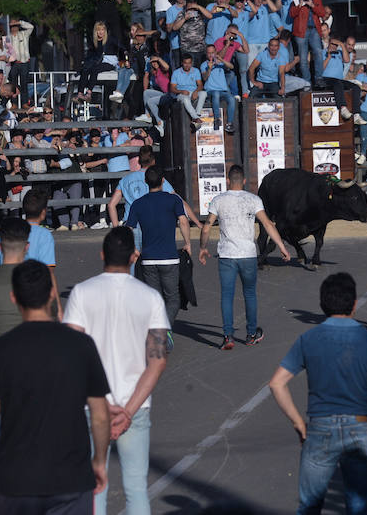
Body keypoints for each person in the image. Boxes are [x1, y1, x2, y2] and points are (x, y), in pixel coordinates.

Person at [0, 260, 111, 515]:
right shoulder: (81, 345)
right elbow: (100, 416)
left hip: (16, 482)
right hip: (71, 477)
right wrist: (99, 461)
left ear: (14, 297)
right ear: (51, 295)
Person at [268, 272, 367, 514]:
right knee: (357, 504)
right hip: (360, 427)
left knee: (310, 504)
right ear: (354, 304)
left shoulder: (308, 339)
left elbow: (277, 383)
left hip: (320, 428)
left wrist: (300, 423)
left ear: (322, 305)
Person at [62, 227, 170, 515]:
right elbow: (158, 360)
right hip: (135, 407)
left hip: (91, 405)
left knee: (94, 486)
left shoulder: (82, 293)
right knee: (136, 490)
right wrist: (127, 411)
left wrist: (105, 405)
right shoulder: (150, 297)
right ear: (134, 257)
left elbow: (72, 354)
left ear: (101, 255)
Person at [198, 165, 289, 350]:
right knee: (249, 294)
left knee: (226, 296)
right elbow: (268, 224)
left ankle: (227, 336)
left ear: (228, 181)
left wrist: (202, 248)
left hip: (227, 255)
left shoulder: (218, 200)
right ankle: (251, 334)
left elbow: (206, 227)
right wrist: (281, 246)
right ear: (244, 181)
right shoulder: (254, 200)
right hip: (247, 254)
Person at [125, 164, 190, 337]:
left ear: (146, 182)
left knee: (155, 299)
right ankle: (164, 330)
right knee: (173, 298)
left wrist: (133, 249)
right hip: (169, 257)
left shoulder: (138, 204)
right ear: (163, 180)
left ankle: (155, 330)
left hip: (148, 259)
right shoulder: (173, 200)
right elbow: (183, 221)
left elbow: (128, 229)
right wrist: (188, 243)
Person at [287, 0, 327, 85]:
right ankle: (306, 82)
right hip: (301, 31)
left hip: (314, 29)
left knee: (318, 52)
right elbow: (291, 14)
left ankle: (319, 78)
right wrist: (300, 4)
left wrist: (312, 5)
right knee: (303, 58)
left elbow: (322, 13)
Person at [200, 43, 237, 132]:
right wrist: (209, 68)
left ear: (216, 52)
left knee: (232, 99)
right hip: (210, 91)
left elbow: (232, 67)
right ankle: (217, 119)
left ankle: (229, 123)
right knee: (216, 94)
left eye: (212, 52)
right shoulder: (204, 65)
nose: (211, 55)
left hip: (223, 91)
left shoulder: (220, 62)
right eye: (209, 53)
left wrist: (221, 60)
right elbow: (204, 78)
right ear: (206, 54)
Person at [321, 37, 359, 120]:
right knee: (338, 83)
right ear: (329, 43)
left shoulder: (339, 53)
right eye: (332, 44)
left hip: (339, 80)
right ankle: (342, 108)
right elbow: (320, 68)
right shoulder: (323, 52)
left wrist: (341, 45)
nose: (334, 46)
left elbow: (347, 60)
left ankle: (356, 114)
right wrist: (328, 57)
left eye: (336, 45)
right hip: (326, 79)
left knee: (356, 87)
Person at [169, 54, 206, 124]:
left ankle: (197, 113)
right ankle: (195, 118)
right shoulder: (176, 73)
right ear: (182, 63)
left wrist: (196, 91)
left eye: (189, 63)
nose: (187, 65)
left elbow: (200, 85)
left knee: (204, 93)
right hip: (181, 94)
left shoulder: (196, 71)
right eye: (185, 63)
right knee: (185, 98)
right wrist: (181, 91)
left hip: (193, 92)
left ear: (191, 63)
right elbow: (172, 88)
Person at [7, 19, 34, 105]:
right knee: (13, 85)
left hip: (24, 62)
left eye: (15, 26)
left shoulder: (24, 34)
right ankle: (14, 103)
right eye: (12, 26)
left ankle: (25, 103)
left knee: (24, 84)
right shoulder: (8, 37)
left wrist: (19, 22)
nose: (14, 28)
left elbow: (31, 27)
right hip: (13, 63)